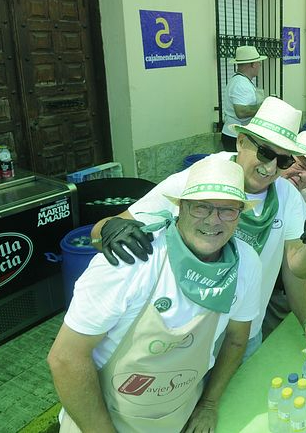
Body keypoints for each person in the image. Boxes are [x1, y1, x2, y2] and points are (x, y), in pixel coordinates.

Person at [89, 97, 306, 356]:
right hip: (185, 339)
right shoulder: (201, 177)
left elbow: (296, 270)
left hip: (246, 334)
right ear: (241, 141)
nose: (270, 167)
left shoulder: (287, 196)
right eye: (265, 153)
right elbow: (108, 228)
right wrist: (107, 230)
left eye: (283, 161)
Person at [48, 158, 262, 432]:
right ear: (180, 207)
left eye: (227, 210)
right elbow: (66, 358)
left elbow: (235, 340)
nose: (213, 220)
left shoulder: (245, 263)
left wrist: (208, 405)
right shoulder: (132, 259)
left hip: (178, 417)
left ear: (240, 215)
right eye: (201, 207)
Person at [221, 46, 266, 151]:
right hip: (235, 137)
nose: (260, 66)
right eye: (259, 63)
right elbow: (241, 112)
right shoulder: (241, 84)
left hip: (235, 135)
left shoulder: (241, 81)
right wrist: (264, 107)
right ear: (253, 64)